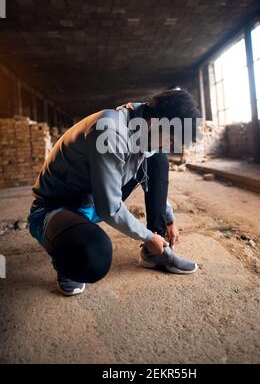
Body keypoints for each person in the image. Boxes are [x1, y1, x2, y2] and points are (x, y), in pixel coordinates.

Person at [28, 89, 200, 296]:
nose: (171, 145)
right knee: (94, 254)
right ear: (155, 123)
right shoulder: (110, 131)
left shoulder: (143, 126)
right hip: (58, 207)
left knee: (157, 158)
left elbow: (148, 177)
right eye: (171, 139)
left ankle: (157, 252)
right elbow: (109, 208)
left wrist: (167, 219)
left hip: (91, 198)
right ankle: (66, 255)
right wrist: (147, 237)